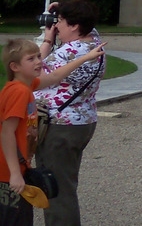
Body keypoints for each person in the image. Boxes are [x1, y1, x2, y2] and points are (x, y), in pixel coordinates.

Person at [0, 38, 105, 226]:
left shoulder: (26, 85)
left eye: (38, 56)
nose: (39, 61)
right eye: (31, 59)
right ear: (14, 66)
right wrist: (15, 173)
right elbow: (7, 133)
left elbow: (55, 76)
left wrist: (86, 57)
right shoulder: (19, 92)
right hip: (7, 172)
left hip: (14, 168)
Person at [35, 0, 106, 226]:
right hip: (82, 121)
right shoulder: (94, 43)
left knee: (56, 189)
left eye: (61, 22)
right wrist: (61, 8)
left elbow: (31, 76)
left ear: (75, 26)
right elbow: (87, 20)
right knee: (66, 182)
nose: (57, 26)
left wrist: (47, 40)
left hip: (59, 127)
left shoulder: (70, 52)